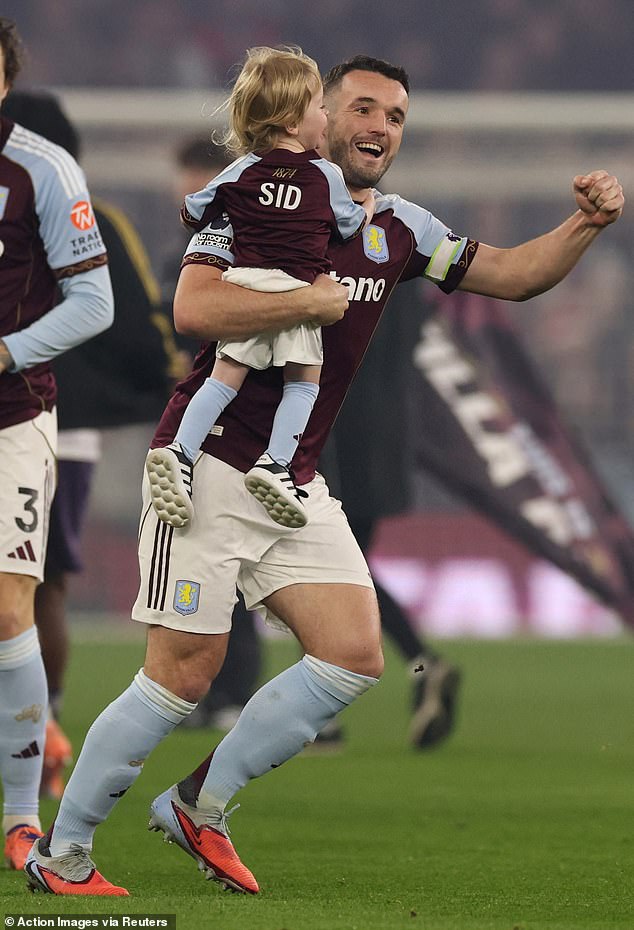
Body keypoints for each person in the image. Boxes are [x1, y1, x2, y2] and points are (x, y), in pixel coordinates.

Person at [25, 55, 624, 897]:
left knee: (352, 655)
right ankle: (65, 854)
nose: (380, 126)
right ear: (317, 118)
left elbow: (514, 275)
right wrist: (301, 302)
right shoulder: (259, 194)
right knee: (182, 674)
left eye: (397, 115)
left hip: (291, 479)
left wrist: (585, 224)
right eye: (364, 108)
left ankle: (202, 805)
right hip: (208, 467)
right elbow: (196, 308)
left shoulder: (401, 228)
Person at [0, 89, 179, 801]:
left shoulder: (68, 201)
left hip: (41, 422)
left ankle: (42, 731)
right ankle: (42, 723)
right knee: (45, 587)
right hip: (64, 427)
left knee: (33, 589)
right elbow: (145, 334)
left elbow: (113, 313)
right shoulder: (94, 213)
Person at [146, 46, 373, 531]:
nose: (326, 114)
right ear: (294, 121)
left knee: (223, 377)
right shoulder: (325, 173)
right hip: (296, 293)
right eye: (318, 105)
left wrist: (210, 218)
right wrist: (367, 209)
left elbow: (195, 206)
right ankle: (277, 464)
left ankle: (180, 451)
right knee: (304, 380)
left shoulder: (242, 169)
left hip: (246, 285)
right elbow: (349, 226)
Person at [0, 18, 114, 872]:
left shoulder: (43, 167)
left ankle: (19, 821)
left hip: (13, 416)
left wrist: (6, 351)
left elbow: (94, 303)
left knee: (10, 612)